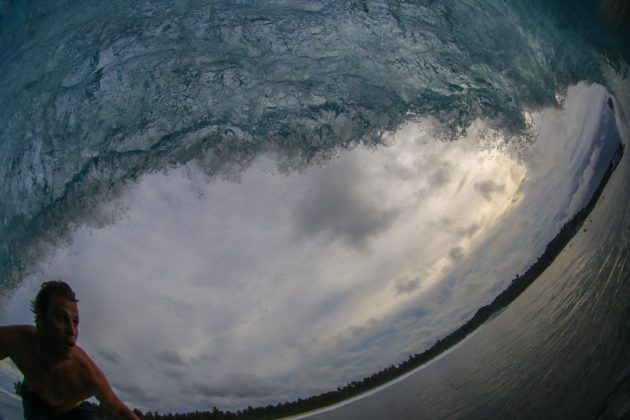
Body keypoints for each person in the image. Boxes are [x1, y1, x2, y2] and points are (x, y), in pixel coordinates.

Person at [0, 280, 139, 419]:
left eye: (75, 322)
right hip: (35, 402)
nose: (71, 331)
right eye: (61, 317)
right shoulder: (16, 340)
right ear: (41, 320)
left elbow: (122, 410)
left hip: (74, 413)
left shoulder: (88, 375)